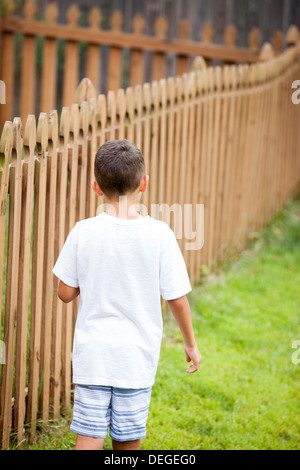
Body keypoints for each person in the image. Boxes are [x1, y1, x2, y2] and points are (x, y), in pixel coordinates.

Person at [53, 139, 201, 451]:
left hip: (93, 356)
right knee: (127, 440)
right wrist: (190, 343)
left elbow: (65, 293)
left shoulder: (83, 231)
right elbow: (177, 298)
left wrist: (89, 276)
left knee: (89, 436)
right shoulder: (160, 234)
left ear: (96, 187)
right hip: (135, 360)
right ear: (144, 183)